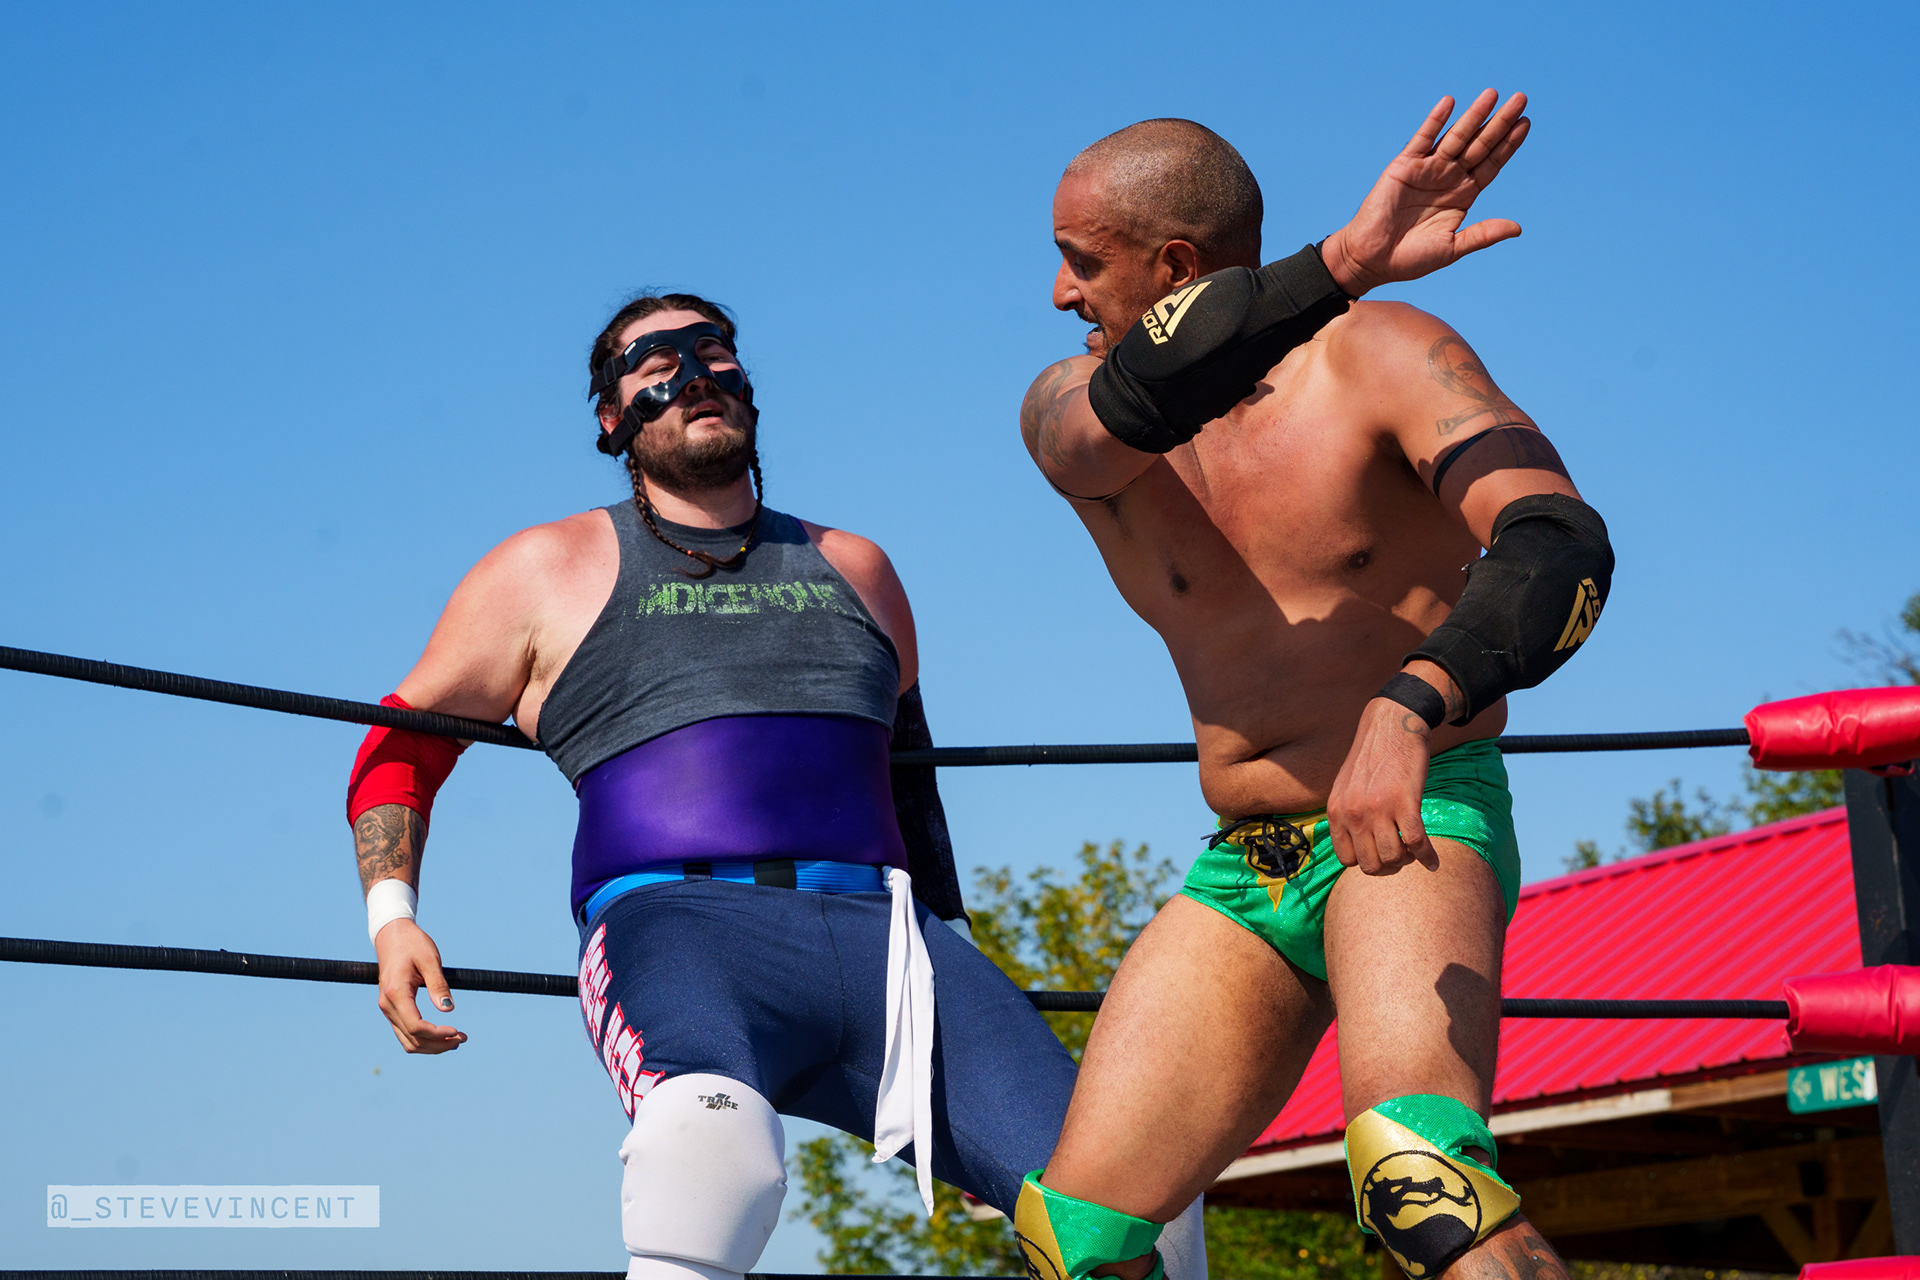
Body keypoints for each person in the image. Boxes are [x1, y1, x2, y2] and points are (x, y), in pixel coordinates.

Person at [341, 291, 1204, 1280]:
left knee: (1134, 1193)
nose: (692, 374)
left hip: (893, 943)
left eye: (713, 351)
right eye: (654, 362)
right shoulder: (544, 567)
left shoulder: (858, 566)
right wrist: (392, 920)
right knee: (706, 1155)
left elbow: (909, 770)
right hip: (681, 931)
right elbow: (402, 742)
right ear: (611, 417)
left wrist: (964, 967)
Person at [1013, 95, 1605, 1280]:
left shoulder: (1384, 357)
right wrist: (1342, 261)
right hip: (1247, 865)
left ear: (1173, 266)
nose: (1060, 293)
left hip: (1413, 815)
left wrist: (1411, 700)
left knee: (1421, 1177)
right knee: (1070, 1242)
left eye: (1083, 261)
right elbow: (1135, 401)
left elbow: (1558, 545)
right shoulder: (1071, 410)